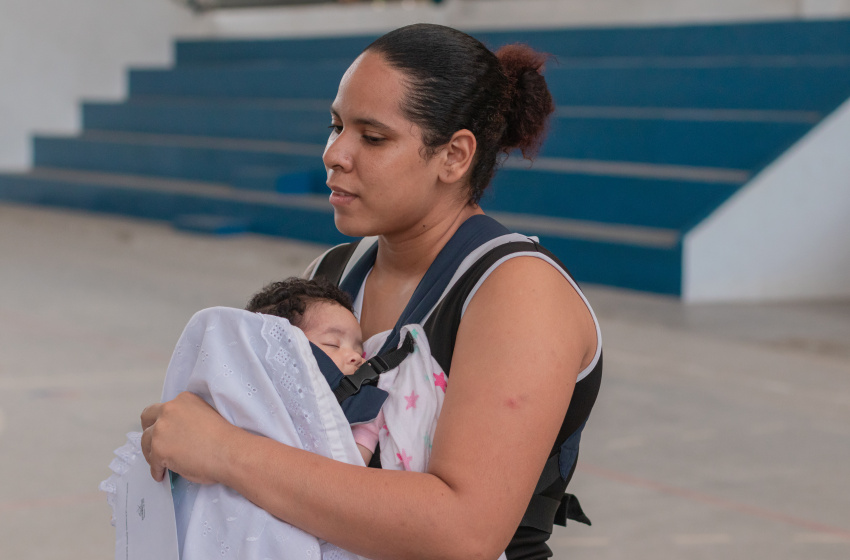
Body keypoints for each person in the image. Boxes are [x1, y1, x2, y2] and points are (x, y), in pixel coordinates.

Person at [141, 23, 601, 560]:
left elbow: (464, 532)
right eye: (336, 126)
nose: (335, 154)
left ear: (454, 156)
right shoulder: (334, 274)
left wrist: (225, 451)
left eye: (373, 137)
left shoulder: (517, 291)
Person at [246, 276, 429, 465]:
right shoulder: (247, 389)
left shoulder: (361, 413)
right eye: (333, 344)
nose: (357, 357)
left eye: (359, 349)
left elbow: (351, 467)